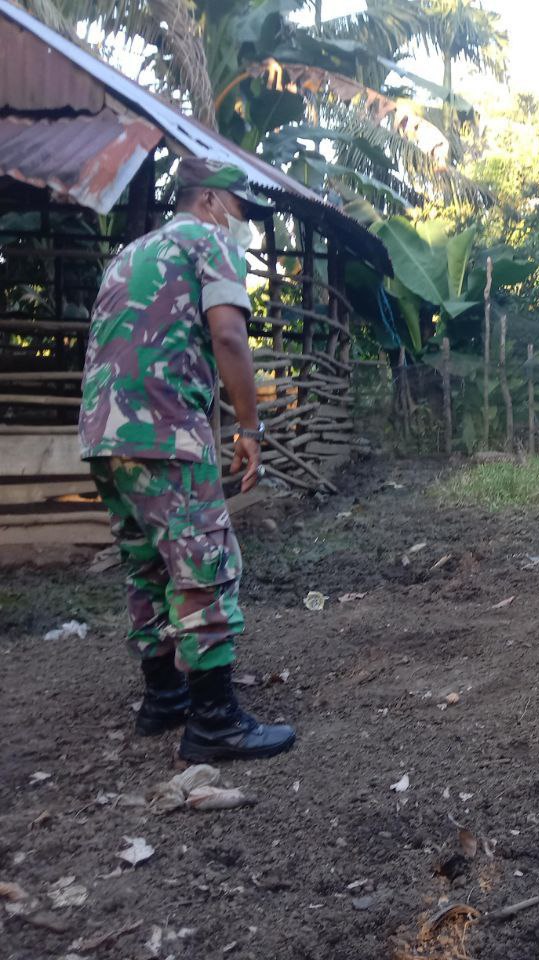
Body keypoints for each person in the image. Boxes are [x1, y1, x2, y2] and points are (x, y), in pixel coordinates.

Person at [78, 158, 295, 762]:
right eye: (241, 210)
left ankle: (164, 699)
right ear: (209, 201)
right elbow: (227, 336)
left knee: (147, 564)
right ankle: (215, 722)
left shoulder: (130, 254)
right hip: (164, 430)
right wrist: (249, 425)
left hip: (105, 432)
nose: (243, 223)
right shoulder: (207, 243)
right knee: (203, 565)